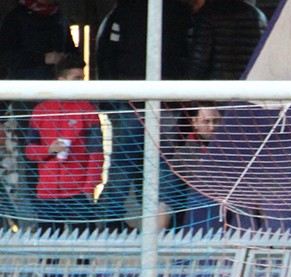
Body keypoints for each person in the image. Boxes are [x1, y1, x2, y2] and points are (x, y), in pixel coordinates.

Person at [95, 0, 194, 230]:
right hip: (166, 101)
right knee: (164, 165)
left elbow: (107, 52)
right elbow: (191, 52)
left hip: (132, 99)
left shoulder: (123, 9)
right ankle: (162, 228)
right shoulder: (182, 11)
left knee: (123, 164)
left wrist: (113, 94)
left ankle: (112, 225)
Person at [0, 0, 77, 226]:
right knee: (32, 158)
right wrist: (42, 58)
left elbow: (73, 53)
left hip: (60, 103)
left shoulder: (60, 17)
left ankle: (65, 216)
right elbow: (7, 57)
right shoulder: (16, 18)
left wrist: (65, 63)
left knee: (68, 154)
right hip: (27, 102)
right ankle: (37, 218)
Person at [25, 55, 103, 231]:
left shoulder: (87, 110)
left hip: (77, 192)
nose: (81, 83)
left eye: (82, 78)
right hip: (47, 192)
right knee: (48, 242)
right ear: (61, 80)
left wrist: (90, 186)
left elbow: (96, 152)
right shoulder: (40, 110)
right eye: (77, 79)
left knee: (84, 242)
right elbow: (29, 151)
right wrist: (48, 150)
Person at [186, 0, 268, 80]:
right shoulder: (258, 16)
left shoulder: (208, 15)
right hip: (248, 84)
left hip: (218, 85)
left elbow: (199, 61)